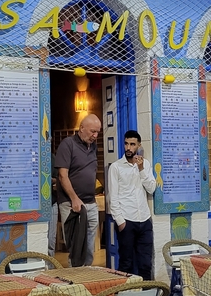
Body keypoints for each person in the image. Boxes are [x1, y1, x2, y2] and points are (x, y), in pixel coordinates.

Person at [106, 130, 157, 280]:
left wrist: (141, 170)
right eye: (126, 144)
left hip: (144, 220)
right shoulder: (116, 167)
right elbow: (112, 197)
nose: (128, 147)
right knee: (126, 263)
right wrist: (120, 221)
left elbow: (151, 188)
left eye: (132, 144)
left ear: (138, 146)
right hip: (126, 221)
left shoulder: (145, 164)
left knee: (145, 263)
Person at [54, 113, 102, 266]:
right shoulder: (68, 144)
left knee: (89, 246)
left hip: (90, 202)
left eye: (97, 132)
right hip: (71, 203)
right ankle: (74, 280)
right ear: (81, 128)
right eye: (92, 131)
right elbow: (62, 175)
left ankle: (86, 276)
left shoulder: (92, 146)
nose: (95, 135)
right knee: (76, 246)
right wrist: (74, 198)